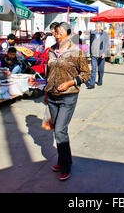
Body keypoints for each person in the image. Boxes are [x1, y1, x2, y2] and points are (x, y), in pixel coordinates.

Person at [44, 22, 90, 181]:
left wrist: (70, 83)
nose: (57, 36)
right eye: (55, 33)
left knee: (59, 131)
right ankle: (62, 159)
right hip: (51, 96)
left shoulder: (76, 52)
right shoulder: (50, 51)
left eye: (60, 33)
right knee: (58, 130)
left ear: (69, 35)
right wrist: (46, 92)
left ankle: (66, 166)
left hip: (68, 97)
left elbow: (86, 74)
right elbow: (47, 73)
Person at [86, 22, 109, 89]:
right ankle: (92, 84)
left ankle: (100, 79)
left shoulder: (105, 34)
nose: (97, 28)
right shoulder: (92, 33)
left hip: (101, 54)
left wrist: (104, 53)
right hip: (94, 54)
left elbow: (106, 44)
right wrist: (90, 52)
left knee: (100, 69)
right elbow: (91, 43)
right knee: (93, 69)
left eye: (98, 26)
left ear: (101, 27)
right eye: (96, 26)